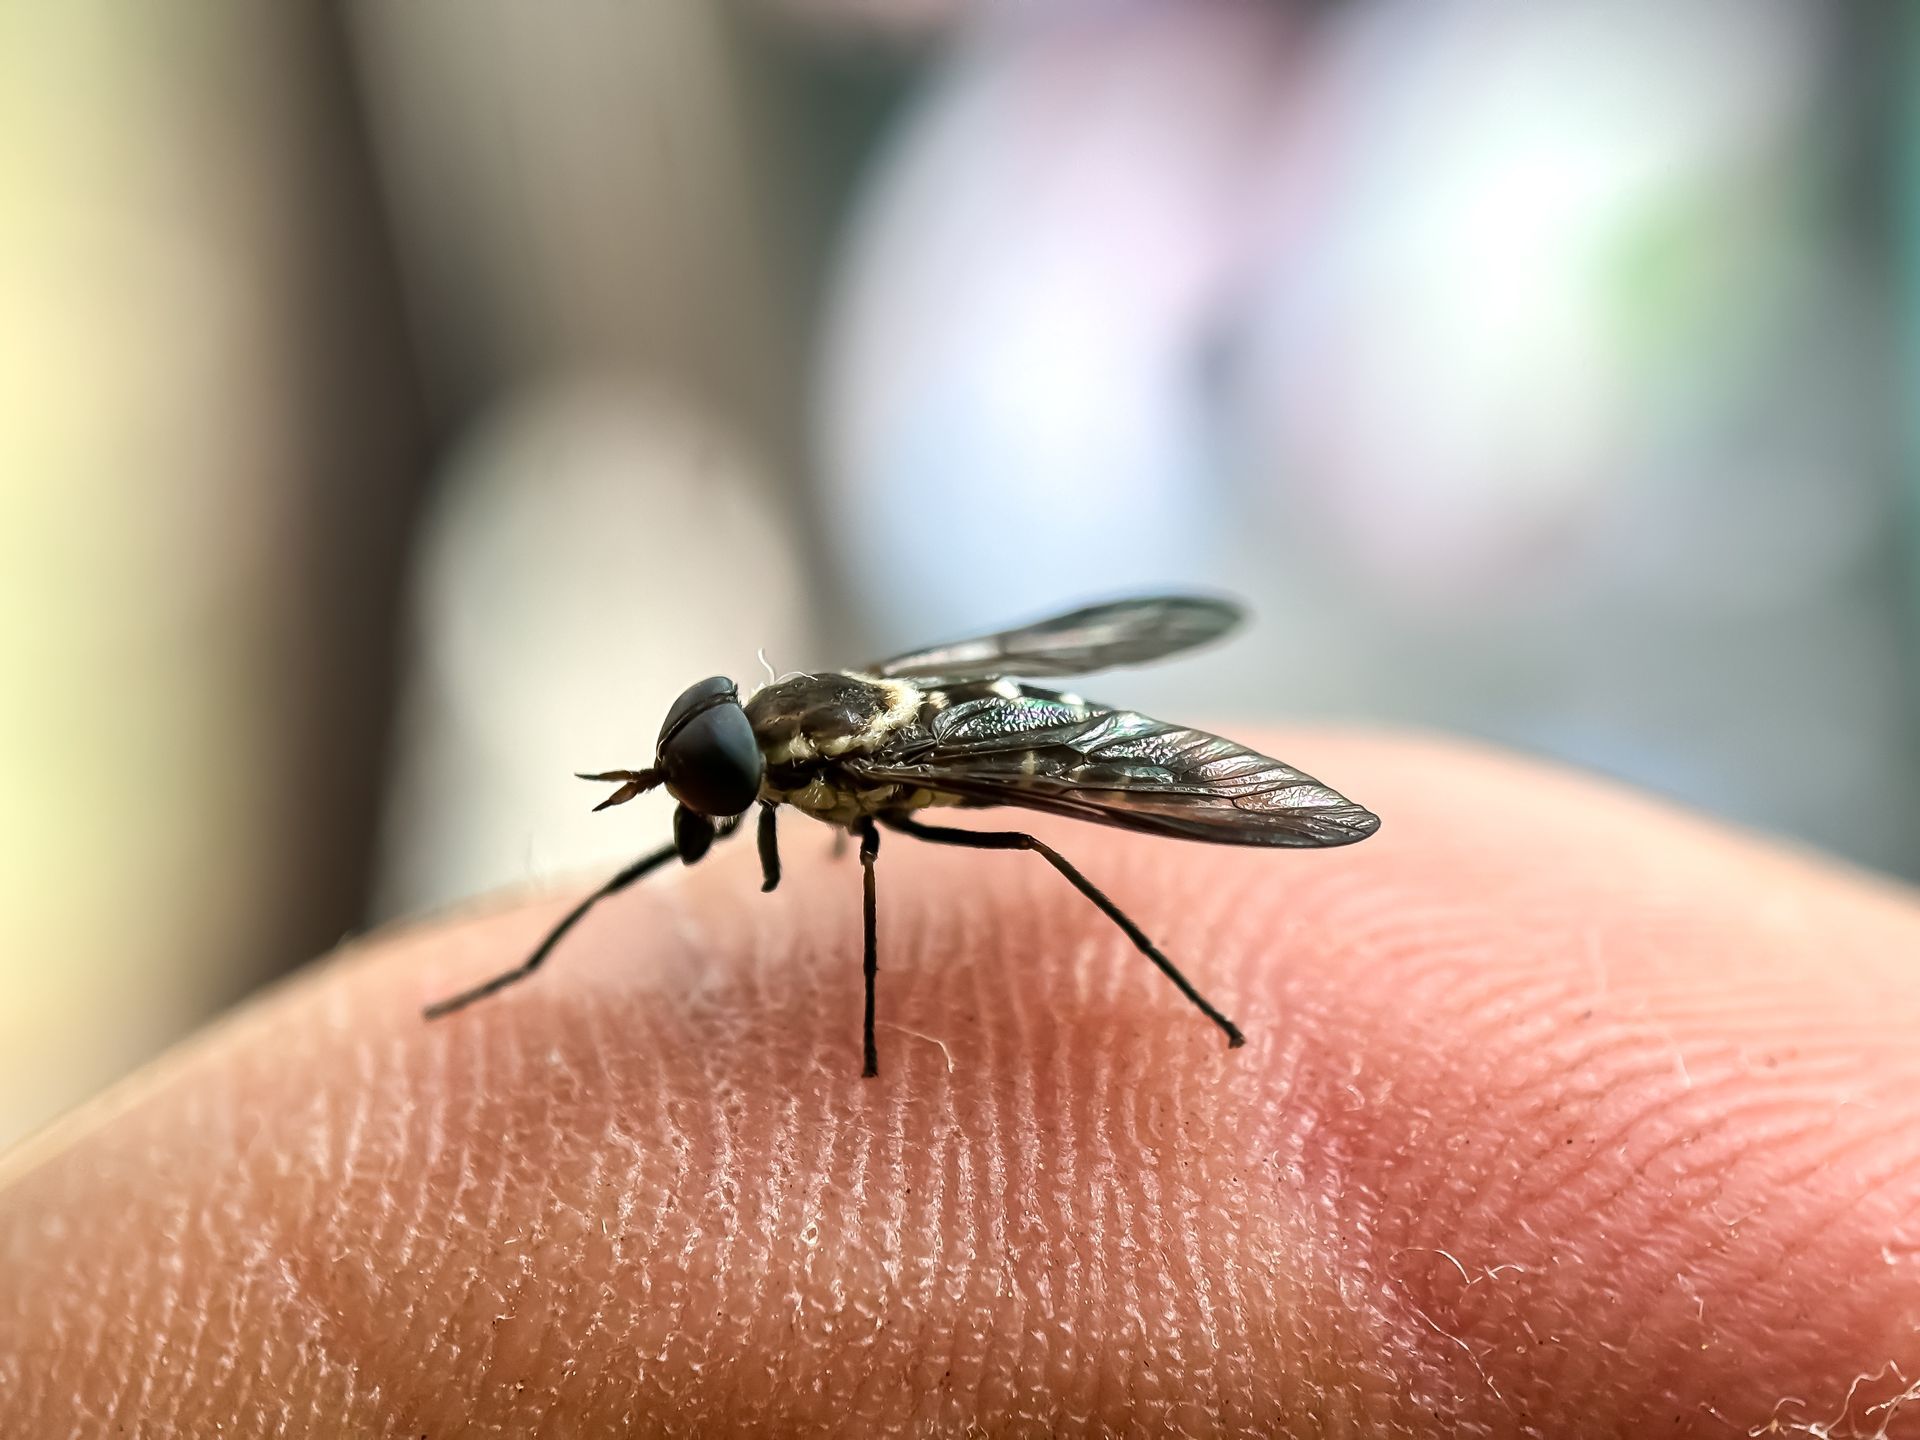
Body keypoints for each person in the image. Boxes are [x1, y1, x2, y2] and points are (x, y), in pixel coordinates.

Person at [4, 735, 1917, 1436]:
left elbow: (942, 794)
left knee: (1065, 838)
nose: (704, 804)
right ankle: (523, 960)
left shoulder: (820, 781)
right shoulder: (773, 773)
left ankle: (1180, 974)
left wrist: (852, 1011)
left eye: (720, 784)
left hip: (1022, 762)